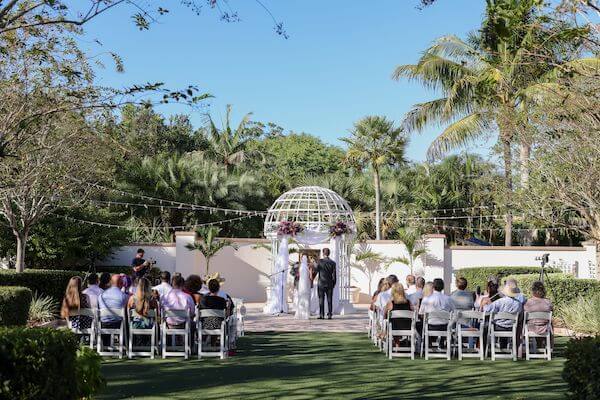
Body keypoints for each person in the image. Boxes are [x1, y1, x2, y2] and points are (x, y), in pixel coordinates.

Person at [484, 280, 524, 349]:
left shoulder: (500, 301)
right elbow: (520, 317)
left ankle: (484, 349)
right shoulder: (519, 304)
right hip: (511, 328)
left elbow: (487, 310)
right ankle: (503, 348)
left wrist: (486, 303)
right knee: (504, 324)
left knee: (484, 327)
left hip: (498, 327)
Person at [419, 278, 454, 347]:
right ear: (443, 287)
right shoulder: (448, 298)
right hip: (444, 326)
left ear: (433, 287)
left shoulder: (426, 299)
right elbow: (453, 312)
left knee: (420, 324)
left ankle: (428, 343)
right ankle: (440, 342)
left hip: (430, 326)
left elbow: (421, 314)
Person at [523, 281, 553, 349]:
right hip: (544, 328)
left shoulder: (527, 302)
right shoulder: (548, 302)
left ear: (533, 291)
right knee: (550, 323)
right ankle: (550, 347)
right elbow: (551, 311)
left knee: (523, 322)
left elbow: (523, 314)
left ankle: (521, 348)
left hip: (531, 328)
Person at [199, 279, 228, 346]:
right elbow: (226, 315)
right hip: (218, 325)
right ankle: (214, 344)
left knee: (209, 319)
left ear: (209, 288)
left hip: (205, 325)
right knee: (218, 320)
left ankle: (204, 344)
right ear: (218, 288)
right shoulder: (222, 300)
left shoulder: (203, 299)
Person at [385, 283, 413, 348]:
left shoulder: (390, 303)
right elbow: (412, 313)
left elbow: (385, 315)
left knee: (392, 322)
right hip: (408, 327)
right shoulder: (409, 302)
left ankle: (397, 343)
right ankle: (400, 343)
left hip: (394, 327)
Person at [314, 247, 336, 319]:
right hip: (330, 284)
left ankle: (321, 315)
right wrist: (333, 284)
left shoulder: (320, 262)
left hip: (321, 284)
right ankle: (330, 315)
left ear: (323, 253)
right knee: (330, 300)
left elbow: (316, 270)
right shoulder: (333, 263)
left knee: (321, 299)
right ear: (329, 253)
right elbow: (334, 275)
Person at [295, 255, 311, 320]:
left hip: (301, 285)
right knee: (306, 299)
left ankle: (299, 314)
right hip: (306, 284)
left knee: (300, 299)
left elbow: (298, 276)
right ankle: (306, 314)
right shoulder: (307, 268)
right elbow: (310, 277)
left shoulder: (300, 267)